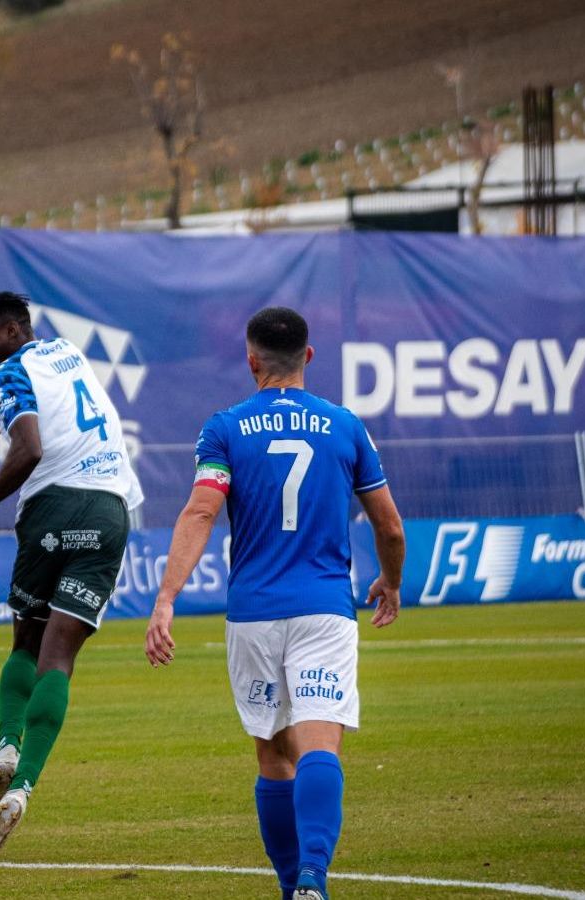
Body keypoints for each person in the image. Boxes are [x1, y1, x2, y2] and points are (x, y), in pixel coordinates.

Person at [144, 307, 406, 900]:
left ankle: (292, 887)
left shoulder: (225, 428)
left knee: (273, 755)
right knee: (320, 743)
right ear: (309, 357)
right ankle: (314, 878)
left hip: (253, 613)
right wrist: (391, 581)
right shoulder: (345, 426)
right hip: (324, 608)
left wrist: (166, 598)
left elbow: (201, 512)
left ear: (251, 359)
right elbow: (388, 525)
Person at [0, 289, 144, 864]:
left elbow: (30, 449)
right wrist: (0, 412)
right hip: (110, 509)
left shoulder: (8, 373)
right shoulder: (66, 351)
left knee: (26, 642)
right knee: (59, 657)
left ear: (12, 331)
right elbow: (66, 407)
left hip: (52, 507)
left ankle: (8, 746)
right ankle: (22, 788)